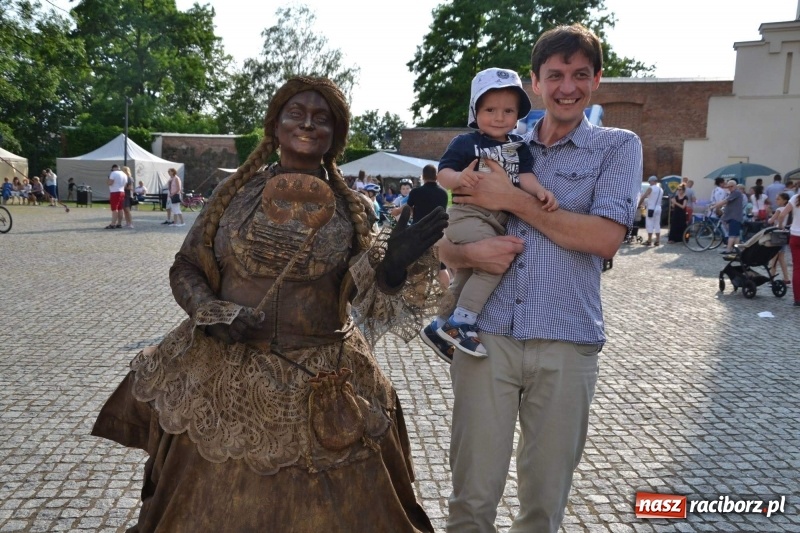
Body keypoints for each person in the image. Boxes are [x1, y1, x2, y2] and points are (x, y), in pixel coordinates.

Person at [90, 76, 448, 532]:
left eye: (322, 119)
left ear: (336, 136)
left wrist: (393, 269)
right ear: (275, 126)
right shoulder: (232, 196)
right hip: (227, 372)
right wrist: (213, 313)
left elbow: (367, 301)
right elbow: (186, 267)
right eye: (296, 113)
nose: (308, 124)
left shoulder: (353, 207)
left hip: (327, 375)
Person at [436, 24, 642, 532]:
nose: (567, 86)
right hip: (488, 336)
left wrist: (509, 200)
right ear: (535, 82)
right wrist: (463, 252)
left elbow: (603, 239)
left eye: (579, 74)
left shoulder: (617, 147)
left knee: (543, 506)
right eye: (555, 75)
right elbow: (443, 236)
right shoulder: (495, 141)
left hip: (566, 340)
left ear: (597, 80)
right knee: (471, 500)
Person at [425, 68, 557, 359]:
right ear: (476, 112)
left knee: (468, 273)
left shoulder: (518, 147)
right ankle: (463, 322)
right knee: (495, 264)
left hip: (496, 221)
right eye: (490, 109)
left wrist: (539, 191)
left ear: (518, 114)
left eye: (508, 110)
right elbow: (442, 172)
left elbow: (525, 177)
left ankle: (439, 324)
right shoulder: (465, 143)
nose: (499, 117)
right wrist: (458, 179)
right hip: (467, 217)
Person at [406, 164, 451, 310]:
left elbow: (409, 209)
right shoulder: (443, 193)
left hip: (420, 234)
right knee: (441, 266)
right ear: (436, 176)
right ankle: (447, 295)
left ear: (423, 176)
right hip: (438, 233)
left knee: (420, 267)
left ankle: (419, 300)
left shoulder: (416, 192)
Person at [776, 189, 800, 306]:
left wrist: (781, 227)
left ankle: (797, 298)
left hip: (795, 236)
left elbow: (782, 215)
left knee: (797, 268)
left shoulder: (795, 198)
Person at [711, 179, 745, 254]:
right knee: (736, 235)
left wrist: (714, 206)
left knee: (732, 235)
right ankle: (736, 250)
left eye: (731, 186)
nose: (729, 188)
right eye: (728, 186)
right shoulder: (734, 193)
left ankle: (728, 249)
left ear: (735, 186)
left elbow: (725, 201)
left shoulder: (736, 193)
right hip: (734, 216)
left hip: (734, 217)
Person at [768, 192, 791, 285]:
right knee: (781, 258)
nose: (776, 200)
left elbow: (771, 221)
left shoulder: (779, 209)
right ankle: (786, 278)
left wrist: (770, 215)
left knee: (774, 257)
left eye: (778, 199)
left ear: (784, 200)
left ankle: (771, 277)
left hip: (777, 234)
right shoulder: (789, 209)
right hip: (786, 234)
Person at [638, 175, 663, 246]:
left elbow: (644, 196)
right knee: (657, 224)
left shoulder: (650, 188)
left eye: (650, 181)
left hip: (651, 208)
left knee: (649, 224)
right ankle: (657, 240)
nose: (649, 183)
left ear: (653, 181)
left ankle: (649, 240)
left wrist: (639, 204)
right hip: (659, 208)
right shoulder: (661, 189)